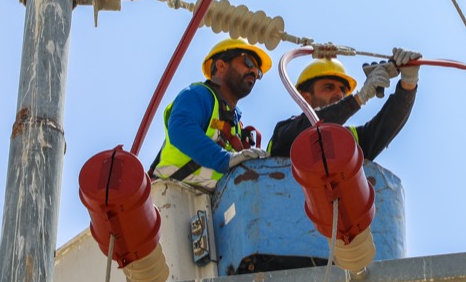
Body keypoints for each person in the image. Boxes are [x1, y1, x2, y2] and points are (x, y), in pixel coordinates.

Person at [149, 37, 271, 190]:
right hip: (172, 194)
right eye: (248, 62)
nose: (254, 71)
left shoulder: (235, 125)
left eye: (258, 72)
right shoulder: (198, 95)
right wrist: (224, 159)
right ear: (221, 66)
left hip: (211, 203)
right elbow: (181, 130)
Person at [267, 48, 421, 161]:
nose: (339, 94)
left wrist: (408, 83)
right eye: (329, 87)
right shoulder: (286, 131)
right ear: (306, 98)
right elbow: (314, 126)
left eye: (343, 90)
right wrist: (358, 98)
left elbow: (387, 124)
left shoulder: (351, 140)